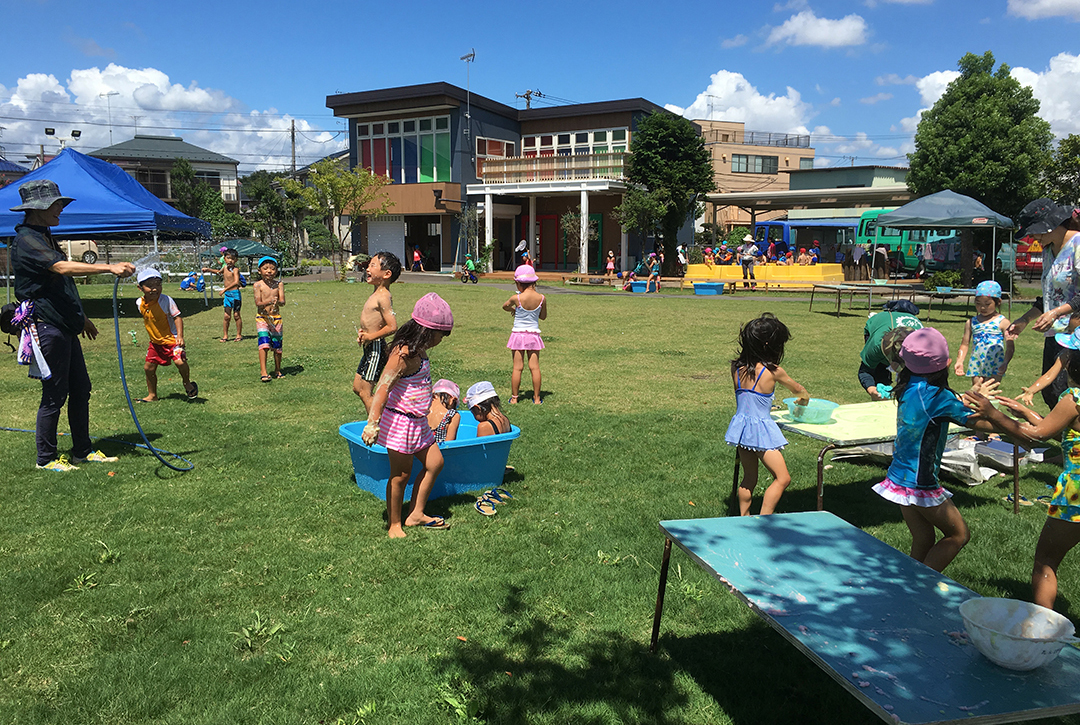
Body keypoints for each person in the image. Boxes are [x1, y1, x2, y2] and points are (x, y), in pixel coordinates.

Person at [9, 179, 135, 471]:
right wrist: (109, 266)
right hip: (46, 327)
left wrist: (82, 318)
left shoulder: (44, 235)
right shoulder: (27, 239)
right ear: (37, 208)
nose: (61, 210)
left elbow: (60, 284)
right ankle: (46, 459)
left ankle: (82, 451)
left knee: (80, 389)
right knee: (54, 393)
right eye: (56, 205)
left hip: (64, 324)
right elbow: (61, 268)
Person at [878, 328, 1020, 572]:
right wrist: (998, 415)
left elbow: (950, 407)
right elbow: (980, 423)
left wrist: (973, 399)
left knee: (923, 540)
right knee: (958, 535)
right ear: (946, 363)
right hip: (920, 481)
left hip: (899, 476)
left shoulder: (909, 384)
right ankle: (921, 589)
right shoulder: (938, 396)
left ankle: (908, 588)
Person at [979, 331, 1080, 609]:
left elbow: (1037, 436)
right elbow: (1055, 425)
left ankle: (1043, 629)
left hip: (1076, 496)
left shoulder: (1074, 398)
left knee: (1046, 561)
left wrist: (992, 413)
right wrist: (1025, 412)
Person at [361, 293, 454, 537]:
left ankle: (415, 514)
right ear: (425, 331)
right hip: (401, 422)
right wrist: (372, 423)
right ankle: (394, 524)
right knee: (400, 475)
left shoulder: (419, 350)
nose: (440, 340)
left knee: (435, 463)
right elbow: (382, 389)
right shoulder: (402, 355)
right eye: (439, 335)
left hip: (419, 423)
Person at [724, 313, 809, 516]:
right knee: (783, 478)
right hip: (761, 430)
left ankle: (743, 519)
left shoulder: (736, 367)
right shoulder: (773, 371)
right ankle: (764, 520)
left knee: (749, 479)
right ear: (771, 345)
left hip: (741, 428)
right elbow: (798, 389)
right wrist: (804, 399)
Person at [1007, 199, 1080, 408]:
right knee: (1051, 392)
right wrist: (1024, 320)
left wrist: (1056, 313)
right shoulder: (1048, 250)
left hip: (1075, 332)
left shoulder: (1077, 245)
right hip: (1055, 332)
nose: (1034, 238)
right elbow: (1050, 295)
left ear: (1052, 225)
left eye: (1036, 232)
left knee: (1068, 394)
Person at [135, 268, 198, 402]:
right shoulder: (139, 303)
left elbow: (177, 317)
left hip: (173, 339)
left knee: (180, 362)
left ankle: (187, 383)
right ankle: (152, 395)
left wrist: (180, 336)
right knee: (148, 368)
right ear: (140, 288)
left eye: (158, 285)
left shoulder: (166, 300)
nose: (155, 289)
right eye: (150, 286)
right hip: (156, 342)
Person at [353, 251, 401, 413]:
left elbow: (392, 326)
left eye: (373, 265)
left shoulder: (384, 296)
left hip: (376, 349)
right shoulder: (376, 293)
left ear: (386, 274)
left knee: (365, 392)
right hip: (369, 346)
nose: (368, 268)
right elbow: (373, 320)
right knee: (357, 387)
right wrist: (364, 333)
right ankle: (380, 419)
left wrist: (370, 336)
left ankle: (375, 427)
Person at [859, 301, 923, 400]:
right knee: (880, 370)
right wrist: (872, 390)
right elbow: (865, 371)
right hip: (878, 324)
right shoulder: (877, 345)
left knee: (910, 375)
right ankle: (883, 389)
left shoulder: (924, 347)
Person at [953, 280, 1013, 383]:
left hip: (996, 364)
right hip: (977, 363)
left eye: (987, 304)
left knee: (990, 393)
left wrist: (1006, 362)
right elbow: (965, 344)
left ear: (998, 302)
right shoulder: (972, 322)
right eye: (978, 303)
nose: (982, 307)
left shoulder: (1003, 322)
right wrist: (960, 361)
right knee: (977, 393)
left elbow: (1010, 345)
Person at [503, 264, 547, 404]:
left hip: (518, 335)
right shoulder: (541, 298)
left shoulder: (516, 298)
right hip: (533, 335)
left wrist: (514, 310)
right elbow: (543, 316)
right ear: (534, 281)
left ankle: (515, 399)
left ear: (518, 283)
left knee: (517, 367)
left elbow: (504, 306)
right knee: (534, 367)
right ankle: (537, 398)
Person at [253, 256, 285, 382]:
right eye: (265, 268)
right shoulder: (257, 285)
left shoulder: (279, 284)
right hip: (262, 318)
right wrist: (269, 301)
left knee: (277, 348)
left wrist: (278, 302)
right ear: (259, 271)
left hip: (276, 318)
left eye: (272, 269)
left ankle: (277, 370)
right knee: (264, 344)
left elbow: (283, 301)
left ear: (276, 271)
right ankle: (263, 372)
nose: (269, 271)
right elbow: (258, 302)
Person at [202, 248, 243, 342]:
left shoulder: (235, 270)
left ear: (236, 260)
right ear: (224, 259)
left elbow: (236, 282)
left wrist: (224, 289)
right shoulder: (224, 268)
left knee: (236, 315)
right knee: (226, 316)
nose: (230, 260)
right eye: (228, 258)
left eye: (233, 259)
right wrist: (208, 270)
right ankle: (225, 336)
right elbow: (219, 272)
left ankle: (238, 335)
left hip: (235, 295)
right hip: (228, 295)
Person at [428, 379, 460, 443]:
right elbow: (449, 444)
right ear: (452, 400)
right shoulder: (452, 415)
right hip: (440, 452)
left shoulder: (423, 409)